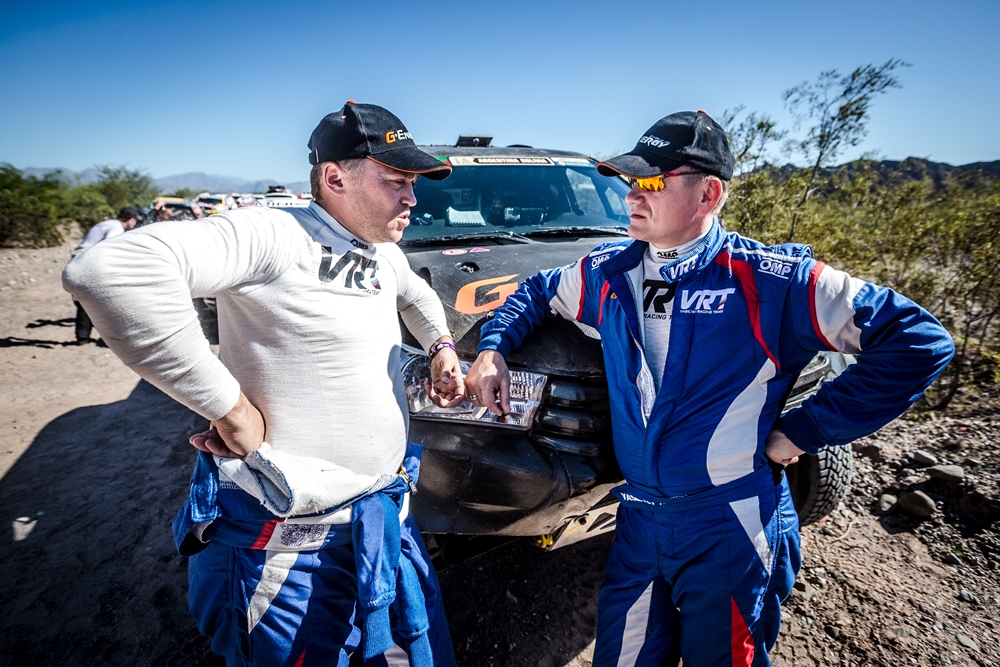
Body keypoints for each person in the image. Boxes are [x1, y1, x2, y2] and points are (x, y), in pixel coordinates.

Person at [464, 110, 955, 666]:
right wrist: (493, 348)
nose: (632, 194)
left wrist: (804, 431)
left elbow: (919, 341)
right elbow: (535, 291)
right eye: (629, 180)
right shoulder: (607, 272)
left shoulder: (775, 279)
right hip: (639, 518)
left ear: (708, 194)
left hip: (731, 522)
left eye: (652, 182)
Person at [64, 101, 464, 666]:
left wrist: (442, 346)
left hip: (380, 523)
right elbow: (109, 272)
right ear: (334, 178)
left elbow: (416, 295)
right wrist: (227, 408)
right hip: (287, 553)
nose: (412, 199)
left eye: (413, 184)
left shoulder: (382, 252)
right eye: (396, 181)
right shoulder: (275, 232)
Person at [69, 206, 141, 344]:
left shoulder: (108, 223)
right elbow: (108, 248)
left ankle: (82, 337)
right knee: (105, 300)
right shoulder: (117, 228)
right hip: (88, 262)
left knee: (85, 300)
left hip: (77, 260)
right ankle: (111, 337)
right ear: (131, 220)